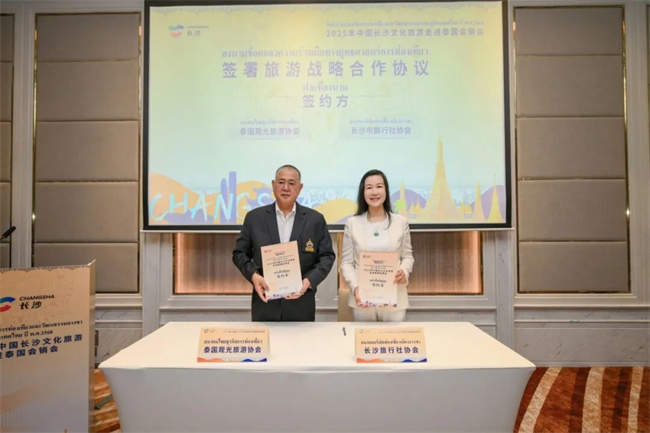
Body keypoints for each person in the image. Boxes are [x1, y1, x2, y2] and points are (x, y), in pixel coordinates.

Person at [233, 165, 335, 321]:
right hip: (265, 304)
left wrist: (308, 281)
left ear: (300, 188)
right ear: (273, 184)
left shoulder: (315, 220)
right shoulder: (254, 218)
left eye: (291, 183)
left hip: (301, 304)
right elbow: (239, 253)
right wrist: (254, 276)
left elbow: (327, 256)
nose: (286, 188)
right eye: (281, 182)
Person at [340, 169, 414, 322]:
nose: (374, 192)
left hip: (395, 297)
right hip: (362, 299)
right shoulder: (352, 224)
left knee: (393, 337)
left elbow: (408, 257)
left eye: (379, 186)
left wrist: (404, 271)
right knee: (364, 337)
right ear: (363, 192)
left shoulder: (400, 222)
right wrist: (355, 287)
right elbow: (346, 263)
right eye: (369, 188)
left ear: (386, 190)